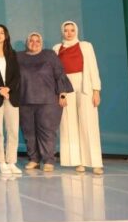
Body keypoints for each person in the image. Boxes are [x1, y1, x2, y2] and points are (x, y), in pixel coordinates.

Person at [53, 21, 103, 175]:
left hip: (84, 85)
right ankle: (77, 161)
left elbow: (93, 68)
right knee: (69, 123)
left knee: (88, 123)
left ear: (76, 31)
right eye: (66, 30)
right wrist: (59, 92)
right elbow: (55, 73)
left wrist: (96, 90)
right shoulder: (56, 48)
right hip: (65, 86)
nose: (69, 33)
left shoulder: (86, 46)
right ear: (62, 32)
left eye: (72, 30)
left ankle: (95, 162)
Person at [18, 32, 73, 172]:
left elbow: (59, 73)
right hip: (25, 99)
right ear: (27, 42)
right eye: (31, 40)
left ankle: (48, 160)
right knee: (28, 132)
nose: (34, 43)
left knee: (47, 131)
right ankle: (34, 159)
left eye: (37, 41)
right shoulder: (18, 56)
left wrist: (62, 93)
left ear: (41, 43)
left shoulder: (49, 55)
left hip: (48, 100)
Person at [0, 24, 21, 175]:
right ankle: (1, 162)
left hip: (11, 96)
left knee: (13, 130)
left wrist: (8, 89)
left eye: (2, 33)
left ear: (6, 35)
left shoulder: (12, 54)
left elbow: (17, 75)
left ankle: (11, 161)